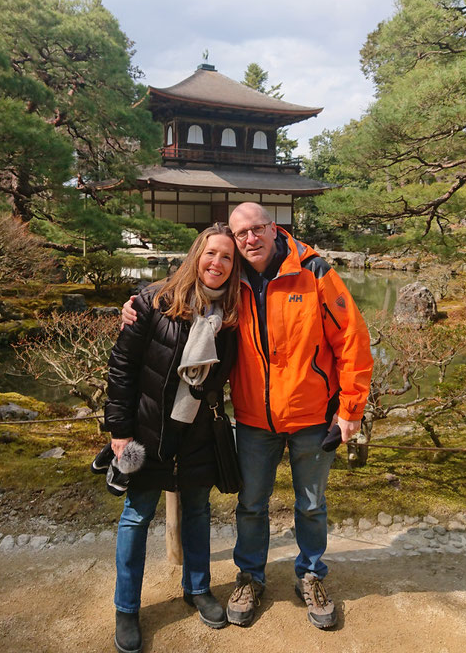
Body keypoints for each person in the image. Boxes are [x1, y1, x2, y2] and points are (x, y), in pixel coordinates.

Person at [122, 202, 373, 631]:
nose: (250, 239)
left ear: (274, 229)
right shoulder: (234, 279)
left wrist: (350, 408)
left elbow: (351, 336)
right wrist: (134, 304)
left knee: (311, 505)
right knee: (251, 504)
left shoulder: (313, 272)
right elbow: (189, 285)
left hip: (312, 413)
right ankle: (250, 578)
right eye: (241, 235)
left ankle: (310, 575)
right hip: (255, 418)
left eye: (258, 229)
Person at [106, 223, 240, 653]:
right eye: (211, 253)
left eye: (227, 257)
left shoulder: (233, 317)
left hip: (198, 432)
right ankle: (126, 607)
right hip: (148, 429)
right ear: (196, 254)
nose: (217, 263)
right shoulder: (153, 301)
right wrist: (119, 431)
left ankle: (197, 587)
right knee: (136, 515)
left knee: (199, 512)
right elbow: (123, 368)